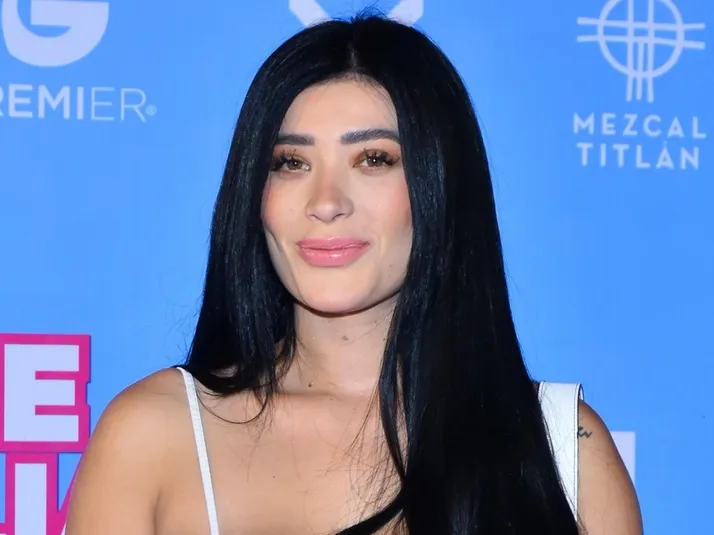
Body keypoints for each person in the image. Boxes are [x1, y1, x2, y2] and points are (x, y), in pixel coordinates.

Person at [65, 12, 642, 535]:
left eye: (373, 159)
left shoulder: (563, 451)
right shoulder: (152, 437)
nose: (325, 202)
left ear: (441, 185)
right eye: (291, 162)